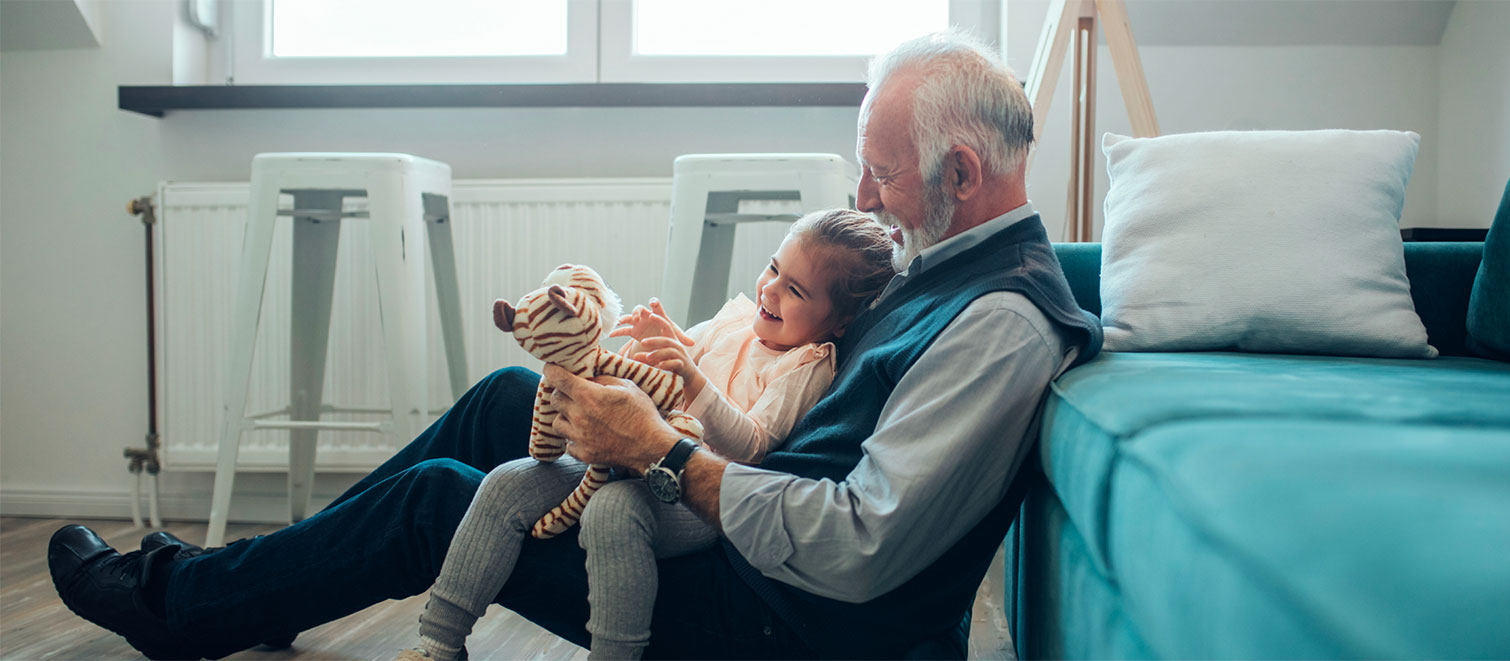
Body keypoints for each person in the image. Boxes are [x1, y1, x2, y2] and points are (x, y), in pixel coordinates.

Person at [48, 29, 1102, 659]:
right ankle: (252, 584)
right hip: (748, 538)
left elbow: (857, 543)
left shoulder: (999, 324)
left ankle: (183, 608)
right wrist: (662, 390)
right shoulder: (948, 267)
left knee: (445, 498)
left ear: (960, 174)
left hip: (779, 616)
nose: (860, 196)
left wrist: (666, 452)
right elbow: (802, 409)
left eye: (877, 175)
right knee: (510, 398)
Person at [400, 209, 897, 661]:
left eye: (796, 291)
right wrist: (661, 334)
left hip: (701, 496)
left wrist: (693, 379)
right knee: (509, 481)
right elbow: (685, 351)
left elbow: (755, 445)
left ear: (842, 319)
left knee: (613, 511)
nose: (770, 290)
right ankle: (438, 641)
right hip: (633, 455)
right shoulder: (738, 322)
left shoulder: (806, 364)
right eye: (773, 269)